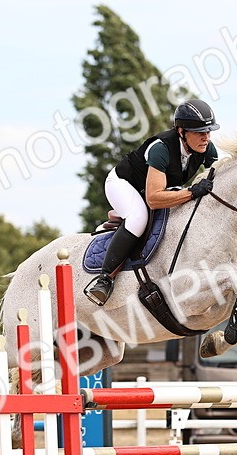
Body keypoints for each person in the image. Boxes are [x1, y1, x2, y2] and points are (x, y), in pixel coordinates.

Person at [84, 99, 221, 306]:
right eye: (200, 132)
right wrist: (192, 192)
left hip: (154, 189)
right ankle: (104, 279)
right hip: (123, 184)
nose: (206, 137)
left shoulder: (207, 150)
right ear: (182, 132)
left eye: (209, 131)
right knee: (139, 217)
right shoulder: (161, 149)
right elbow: (154, 198)